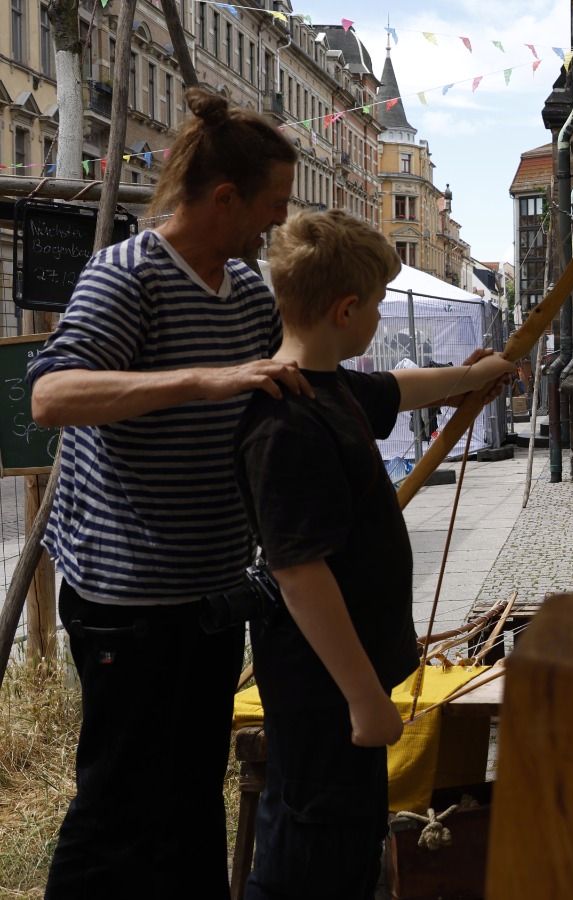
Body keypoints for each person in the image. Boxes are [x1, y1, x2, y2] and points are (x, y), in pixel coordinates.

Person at [28, 88, 303, 899]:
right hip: (127, 601)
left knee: (191, 797)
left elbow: (285, 386)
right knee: (119, 804)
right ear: (225, 199)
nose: (275, 228)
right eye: (272, 209)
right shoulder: (128, 276)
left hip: (210, 593)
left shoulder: (248, 291)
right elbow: (52, 397)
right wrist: (203, 381)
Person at [236, 210, 513, 898]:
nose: (382, 314)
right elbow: (299, 572)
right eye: (380, 302)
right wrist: (363, 698)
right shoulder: (287, 419)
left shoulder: (332, 386)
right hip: (324, 692)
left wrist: (475, 375)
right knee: (311, 855)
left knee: (354, 844)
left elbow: (402, 389)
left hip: (351, 683)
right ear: (347, 309)